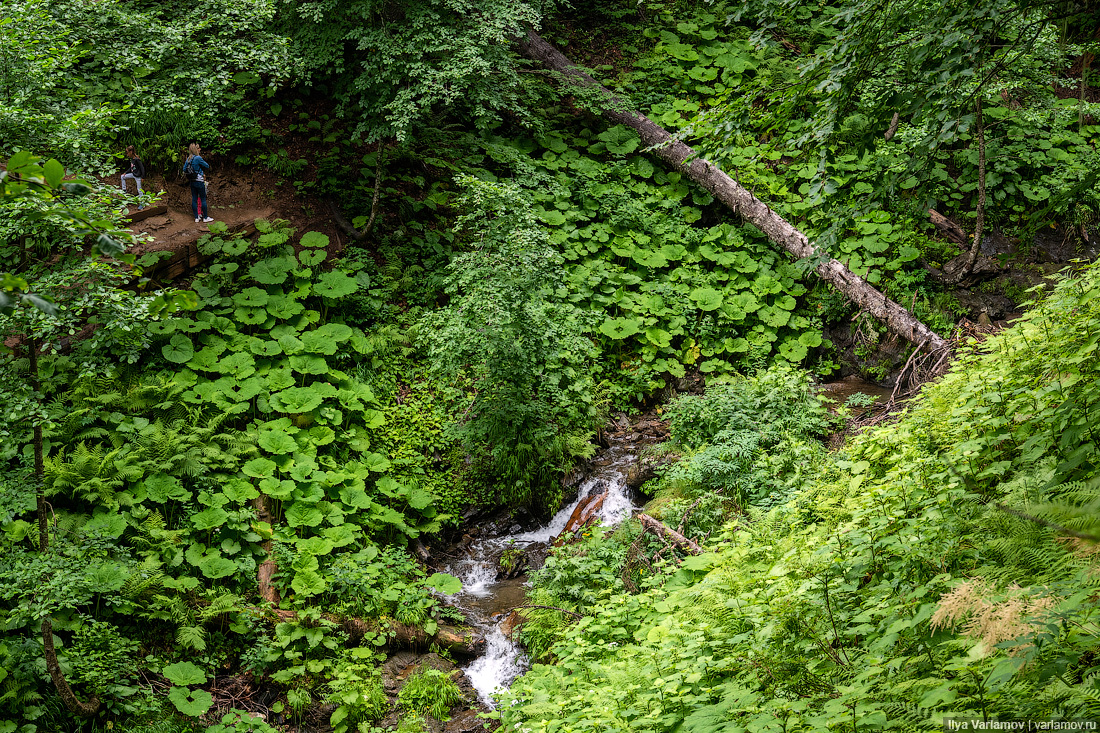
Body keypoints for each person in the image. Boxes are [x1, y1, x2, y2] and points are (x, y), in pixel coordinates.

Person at [183, 143, 214, 223]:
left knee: (194, 199)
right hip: (199, 180)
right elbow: (207, 165)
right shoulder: (198, 158)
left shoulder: (188, 159)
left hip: (192, 181)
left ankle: (196, 217)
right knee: (203, 198)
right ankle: (205, 217)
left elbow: (184, 169)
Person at [120, 145, 145, 210]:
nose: (127, 154)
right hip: (133, 174)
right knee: (122, 176)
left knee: (139, 189)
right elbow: (131, 167)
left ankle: (142, 204)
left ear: (131, 152)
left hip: (138, 176)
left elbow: (142, 168)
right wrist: (126, 172)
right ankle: (124, 190)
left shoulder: (137, 160)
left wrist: (143, 177)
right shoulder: (132, 159)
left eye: (127, 152)